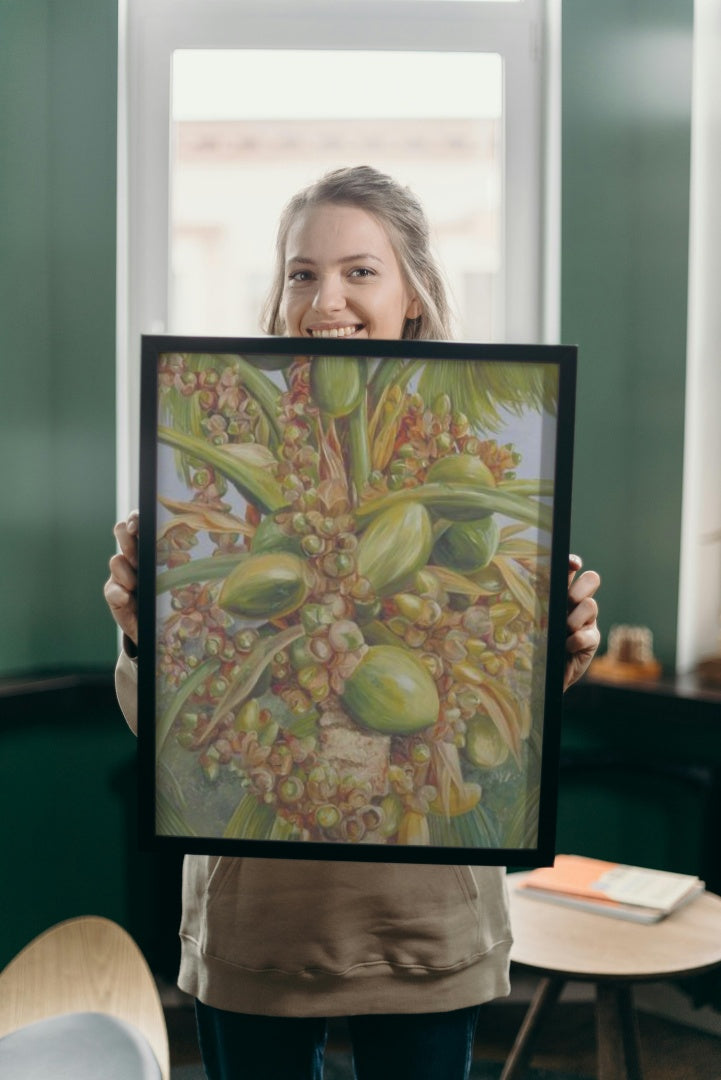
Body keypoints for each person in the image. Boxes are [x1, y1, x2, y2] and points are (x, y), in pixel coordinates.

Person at [105, 165, 601, 1080]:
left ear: (412, 292)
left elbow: (497, 726)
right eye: (301, 272)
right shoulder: (211, 477)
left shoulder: (467, 464)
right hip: (258, 924)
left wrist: (555, 650)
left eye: (359, 271)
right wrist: (144, 637)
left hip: (422, 922)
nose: (324, 298)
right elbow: (171, 732)